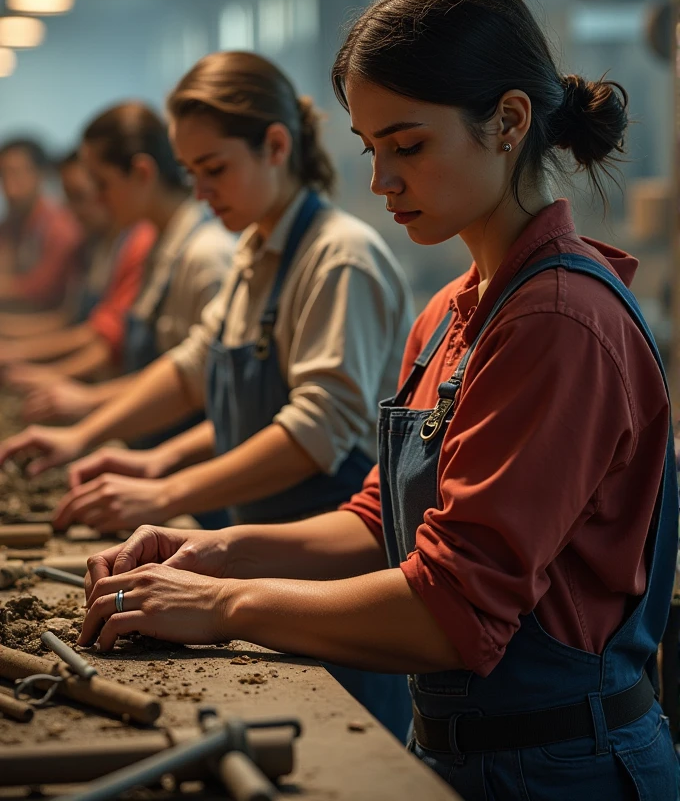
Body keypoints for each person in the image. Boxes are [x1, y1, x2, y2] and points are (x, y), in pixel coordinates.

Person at [75, 0, 677, 800]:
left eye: (410, 145)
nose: (380, 182)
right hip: (470, 747)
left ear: (508, 121)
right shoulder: (454, 310)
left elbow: (452, 609)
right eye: (371, 149)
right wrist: (208, 547)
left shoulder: (558, 323)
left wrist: (224, 603)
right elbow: (378, 523)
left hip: (564, 765)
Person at [0, 50, 415, 738]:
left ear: (275, 146)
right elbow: (200, 372)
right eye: (191, 173)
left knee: (344, 745)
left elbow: (313, 429)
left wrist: (167, 491)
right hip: (258, 555)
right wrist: (101, 442)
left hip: (326, 579)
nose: (199, 192)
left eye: (214, 169)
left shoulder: (338, 258)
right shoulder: (256, 251)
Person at [3, 101, 233, 399]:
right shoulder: (155, 242)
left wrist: (80, 399)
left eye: (101, 184)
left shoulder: (206, 253)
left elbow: (198, 385)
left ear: (141, 173)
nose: (97, 200)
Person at [0, 138, 82, 312]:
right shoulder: (10, 225)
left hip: (50, 325)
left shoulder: (59, 225)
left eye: (15, 173)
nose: (9, 185)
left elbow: (42, 289)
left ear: (40, 173)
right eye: (3, 175)